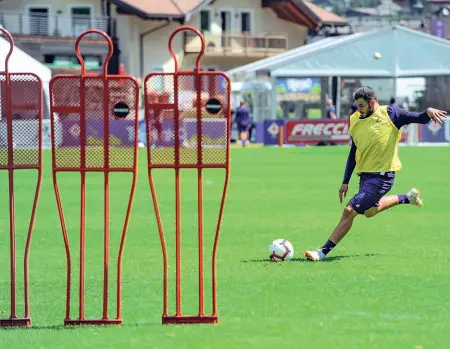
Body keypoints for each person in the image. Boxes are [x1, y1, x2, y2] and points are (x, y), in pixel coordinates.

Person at [304, 86, 447, 261]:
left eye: (362, 105)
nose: (358, 109)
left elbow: (419, 117)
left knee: (349, 211)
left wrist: (428, 111)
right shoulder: (355, 119)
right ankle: (406, 198)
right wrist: (345, 181)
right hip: (365, 176)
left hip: (382, 177)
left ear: (372, 102)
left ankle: (322, 252)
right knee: (370, 212)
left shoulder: (391, 113)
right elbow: (353, 152)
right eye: (357, 106)